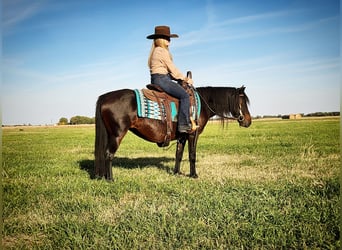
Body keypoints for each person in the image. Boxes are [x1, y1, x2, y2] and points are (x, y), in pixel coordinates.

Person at [147, 25, 194, 133]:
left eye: (169, 38)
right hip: (162, 79)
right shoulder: (162, 51)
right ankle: (183, 125)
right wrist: (186, 79)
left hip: (159, 78)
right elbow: (172, 69)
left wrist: (178, 78)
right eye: (166, 38)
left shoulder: (156, 51)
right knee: (184, 96)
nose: (169, 40)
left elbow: (169, 71)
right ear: (160, 39)